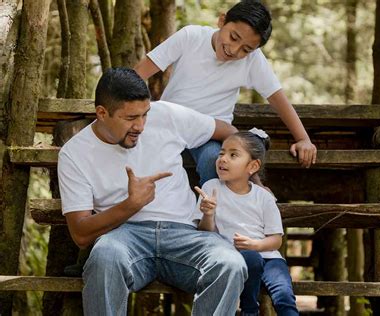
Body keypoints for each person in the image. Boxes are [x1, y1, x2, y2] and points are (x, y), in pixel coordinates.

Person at [57, 68, 247, 316]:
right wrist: (131, 205)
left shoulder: (167, 114)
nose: (141, 126)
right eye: (130, 118)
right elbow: (81, 234)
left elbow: (228, 132)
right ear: (102, 113)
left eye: (145, 114)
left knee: (230, 264)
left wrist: (250, 174)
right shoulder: (74, 154)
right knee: (104, 257)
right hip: (125, 238)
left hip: (185, 234)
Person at [134, 0, 317, 186]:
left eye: (246, 49)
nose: (234, 50)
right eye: (234, 37)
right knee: (147, 158)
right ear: (222, 21)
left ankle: (215, 212)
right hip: (172, 125)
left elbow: (279, 100)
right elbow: (138, 74)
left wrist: (303, 139)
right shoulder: (191, 36)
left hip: (212, 133)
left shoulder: (253, 61)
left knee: (214, 162)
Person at [194, 129, 298, 316]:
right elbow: (205, 234)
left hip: (270, 258)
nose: (223, 159)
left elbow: (276, 239)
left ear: (252, 166)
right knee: (251, 258)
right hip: (238, 258)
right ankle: (250, 310)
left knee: (284, 296)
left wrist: (256, 244)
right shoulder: (211, 188)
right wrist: (208, 214)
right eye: (221, 153)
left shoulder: (263, 197)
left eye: (233, 155)